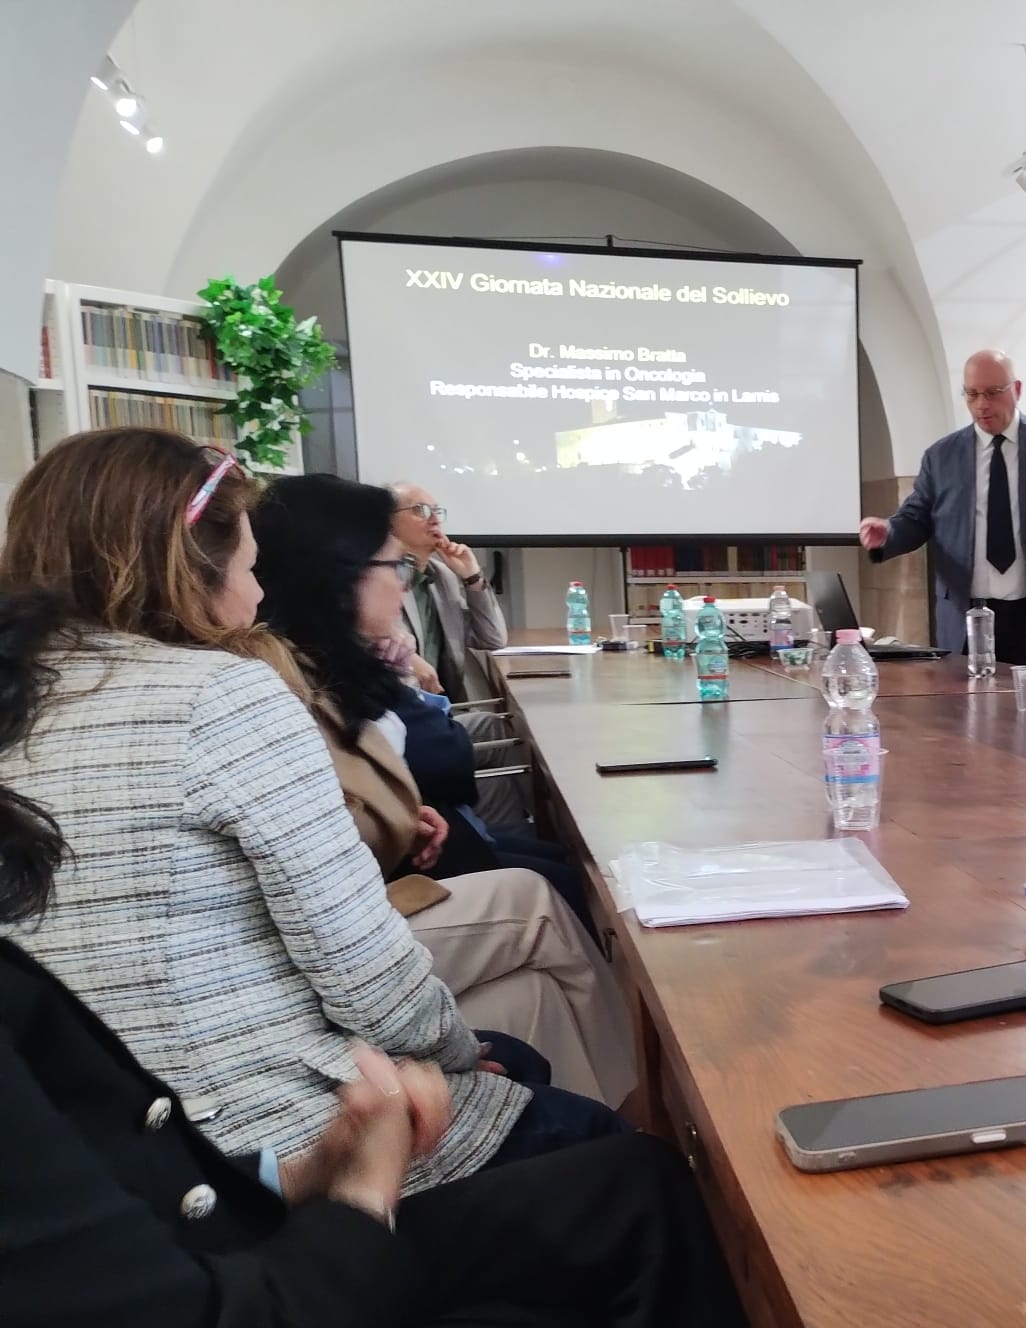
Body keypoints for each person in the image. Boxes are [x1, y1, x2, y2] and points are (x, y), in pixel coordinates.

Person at [0, 618, 834, 1328]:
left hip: (226, 1257)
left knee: (634, 1185)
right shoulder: (212, 700)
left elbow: (112, 1199)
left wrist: (297, 1174)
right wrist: (360, 1194)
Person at [0, 430, 624, 1183]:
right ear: (188, 571)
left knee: (534, 1002)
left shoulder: (25, 695)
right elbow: (359, 965)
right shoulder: (216, 694)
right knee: (630, 1161)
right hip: (259, 1143)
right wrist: (460, 1056)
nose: (260, 595)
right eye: (248, 569)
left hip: (91, 1143)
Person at [253, 475, 597, 935]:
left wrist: (472, 577)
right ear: (340, 572)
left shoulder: (438, 579)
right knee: (563, 888)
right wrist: (401, 677)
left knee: (571, 871)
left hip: (417, 828)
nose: (402, 585)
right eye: (395, 565)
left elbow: (493, 640)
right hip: (378, 895)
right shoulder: (303, 672)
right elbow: (438, 756)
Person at [859, 349, 1026, 664]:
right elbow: (916, 518)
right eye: (972, 394)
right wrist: (888, 532)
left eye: (992, 392)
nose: (981, 405)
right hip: (965, 617)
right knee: (965, 697)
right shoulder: (942, 456)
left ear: (1016, 390)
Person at [388, 480, 505, 703]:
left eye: (436, 511)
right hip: (402, 708)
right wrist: (409, 659)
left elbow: (493, 639)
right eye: (420, 510)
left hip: (444, 706)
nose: (434, 520)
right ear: (389, 521)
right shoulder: (379, 579)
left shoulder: (443, 576)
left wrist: (472, 577)